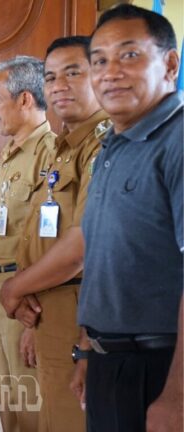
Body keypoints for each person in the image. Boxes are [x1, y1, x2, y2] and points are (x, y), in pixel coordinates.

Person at [73, 5, 182, 431]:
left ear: (170, 64)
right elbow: (104, 256)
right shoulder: (113, 146)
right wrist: (88, 349)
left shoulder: (177, 140)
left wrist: (178, 395)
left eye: (129, 55)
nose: (110, 72)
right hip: (111, 361)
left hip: (159, 366)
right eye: (99, 60)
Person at [0, 36, 109, 432]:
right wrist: (32, 315)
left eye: (73, 73)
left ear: (100, 75)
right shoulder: (65, 147)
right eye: (50, 77)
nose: (59, 85)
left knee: (68, 420)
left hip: (79, 310)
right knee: (48, 418)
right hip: (47, 304)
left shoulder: (102, 144)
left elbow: (82, 245)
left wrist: (13, 289)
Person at [0, 55, 54, 432]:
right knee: (8, 405)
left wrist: (37, 324)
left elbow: (51, 243)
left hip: (26, 296)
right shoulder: (9, 153)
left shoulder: (50, 153)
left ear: (24, 99)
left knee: (31, 407)